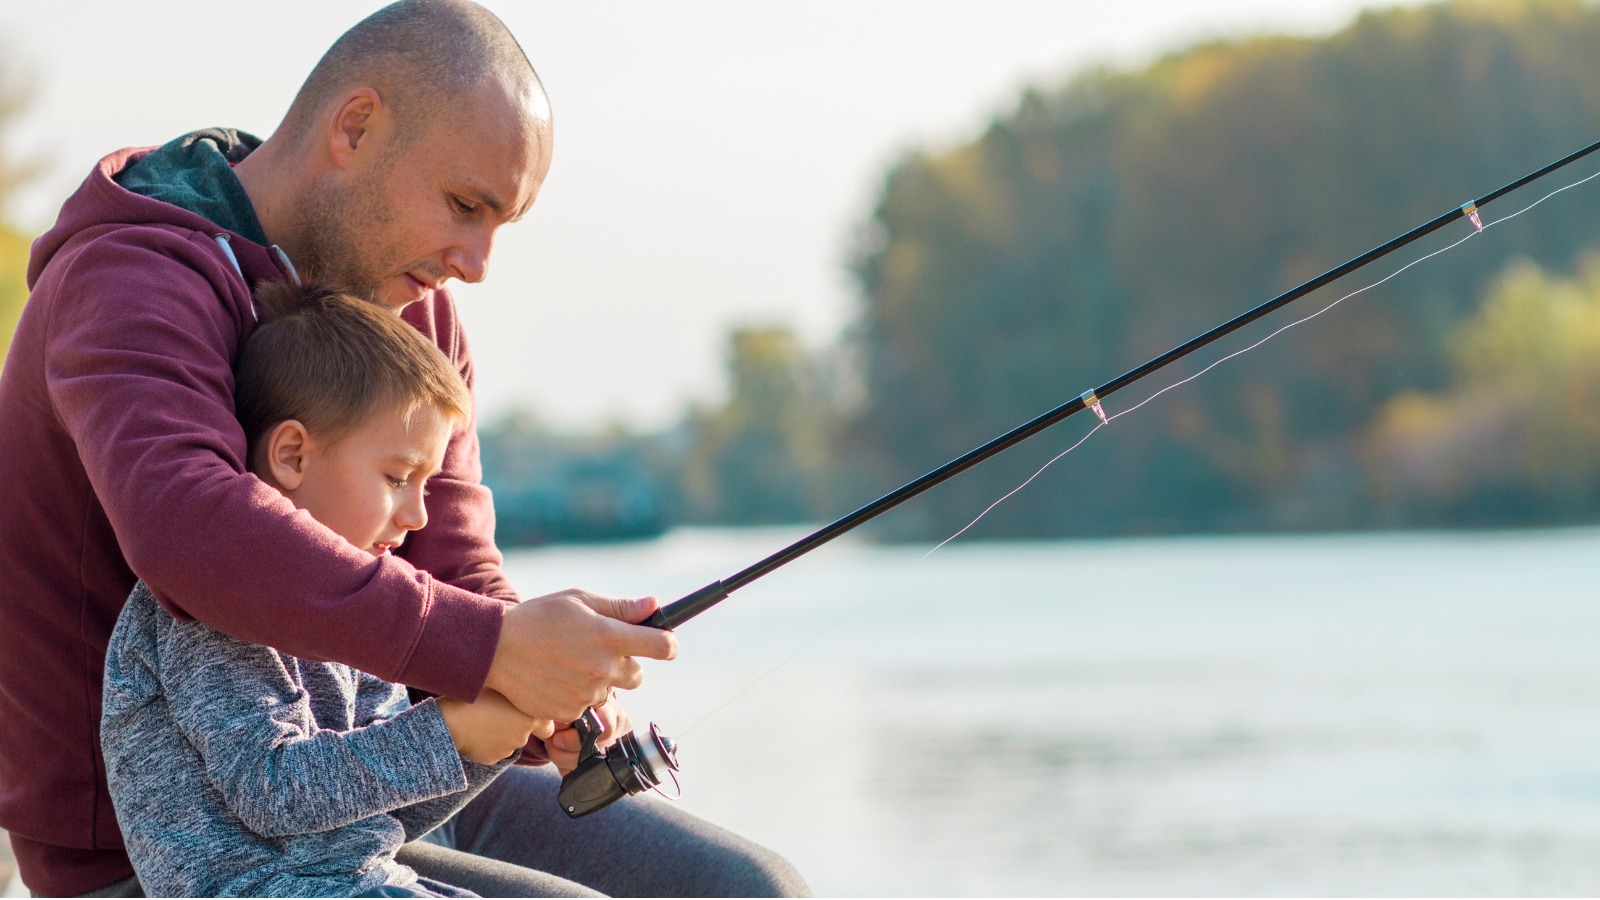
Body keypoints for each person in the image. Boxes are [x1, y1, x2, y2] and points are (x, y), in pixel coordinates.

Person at [0, 0, 808, 895]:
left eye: (502, 223)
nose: (478, 260)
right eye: (466, 205)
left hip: (389, 782)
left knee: (751, 886)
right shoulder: (129, 278)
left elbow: (457, 565)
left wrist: (539, 689)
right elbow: (186, 524)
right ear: (356, 127)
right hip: (172, 851)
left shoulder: (416, 313)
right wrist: (489, 646)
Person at [102, 280, 533, 897]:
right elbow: (272, 791)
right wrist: (450, 732)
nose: (419, 516)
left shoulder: (364, 603)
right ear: (293, 456)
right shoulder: (216, 602)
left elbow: (380, 814)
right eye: (398, 476)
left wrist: (488, 745)